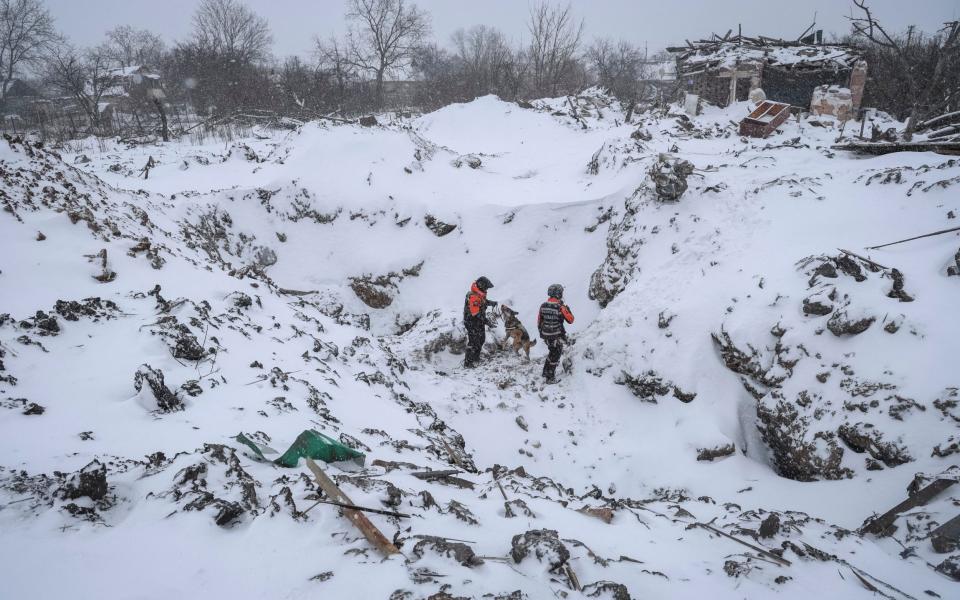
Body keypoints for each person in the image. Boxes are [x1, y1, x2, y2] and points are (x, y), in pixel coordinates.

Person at [537, 284, 574, 383]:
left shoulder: (543, 306)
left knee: (551, 352)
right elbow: (571, 320)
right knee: (556, 355)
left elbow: (539, 321)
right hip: (557, 335)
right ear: (559, 294)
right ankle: (550, 377)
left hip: (546, 335)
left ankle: (545, 371)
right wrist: (567, 309)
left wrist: (543, 334)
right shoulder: (560, 307)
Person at [463, 276, 496, 368]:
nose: (487, 290)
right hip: (471, 322)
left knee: (481, 339)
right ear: (481, 285)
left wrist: (491, 303)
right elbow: (475, 313)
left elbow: (483, 302)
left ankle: (476, 358)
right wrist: (487, 322)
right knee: (473, 342)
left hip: (478, 321)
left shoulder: (479, 294)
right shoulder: (473, 296)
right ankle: (468, 363)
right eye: (486, 287)